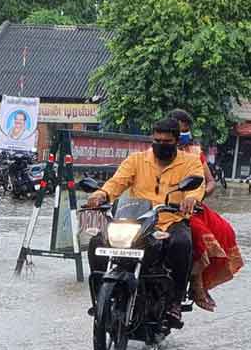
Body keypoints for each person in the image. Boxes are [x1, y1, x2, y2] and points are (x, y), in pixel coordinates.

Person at [86, 117, 206, 320]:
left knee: (182, 243)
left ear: (177, 141)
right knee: (97, 242)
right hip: (136, 221)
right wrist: (101, 194)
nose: (161, 145)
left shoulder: (190, 162)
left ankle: (175, 302)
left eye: (166, 142)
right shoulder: (136, 160)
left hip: (170, 220)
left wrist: (191, 199)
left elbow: (197, 187)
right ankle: (100, 297)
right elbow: (117, 182)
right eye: (157, 140)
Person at [168, 109, 244, 311]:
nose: (182, 135)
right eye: (179, 130)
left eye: (185, 131)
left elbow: (210, 182)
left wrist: (198, 195)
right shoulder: (152, 153)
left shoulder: (194, 155)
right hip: (159, 207)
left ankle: (196, 282)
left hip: (189, 207)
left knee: (222, 231)